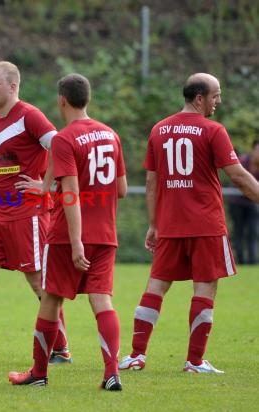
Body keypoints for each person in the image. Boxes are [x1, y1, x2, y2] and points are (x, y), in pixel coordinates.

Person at [118, 73, 259, 374]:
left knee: (155, 286)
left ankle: (135, 355)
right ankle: (194, 362)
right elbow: (238, 176)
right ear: (199, 98)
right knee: (204, 289)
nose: (218, 101)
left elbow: (151, 182)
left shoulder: (158, 129)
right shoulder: (213, 130)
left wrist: (154, 224)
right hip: (206, 224)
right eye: (215, 95)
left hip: (170, 224)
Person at [8, 73, 127, 390]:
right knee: (102, 301)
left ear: (62, 100)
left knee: (51, 301)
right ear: (88, 99)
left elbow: (71, 192)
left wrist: (76, 242)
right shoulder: (110, 135)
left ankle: (38, 373)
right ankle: (111, 372)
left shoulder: (64, 138)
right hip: (105, 234)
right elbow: (122, 189)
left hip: (66, 237)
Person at [0, 61, 71, 364]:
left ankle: (60, 350)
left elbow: (60, 146)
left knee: (37, 281)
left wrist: (45, 185)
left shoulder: (30, 116)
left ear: (12, 87)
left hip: (27, 213)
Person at [228, 139, 259, 264]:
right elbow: (237, 179)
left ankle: (252, 261)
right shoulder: (241, 161)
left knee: (253, 232)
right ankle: (240, 261)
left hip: (252, 203)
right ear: (253, 150)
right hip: (237, 202)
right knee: (238, 232)